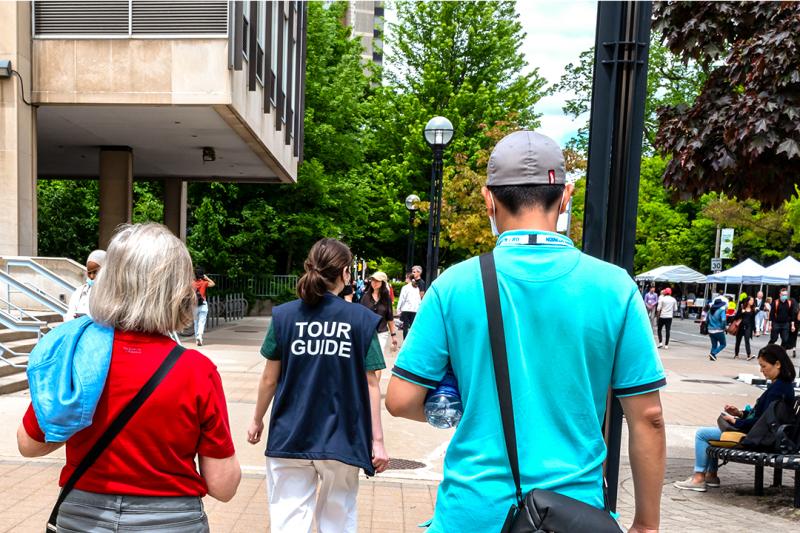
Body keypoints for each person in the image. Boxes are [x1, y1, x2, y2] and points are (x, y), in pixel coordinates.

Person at [385, 131, 666, 533]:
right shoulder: (615, 287)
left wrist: (468, 403)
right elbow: (649, 417)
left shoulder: (453, 286)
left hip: (472, 512)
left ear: (489, 199)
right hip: (573, 513)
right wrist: (647, 524)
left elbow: (400, 400)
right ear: (566, 197)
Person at [17, 223, 241, 531]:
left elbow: (29, 445)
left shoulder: (79, 356)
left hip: (83, 517)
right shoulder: (196, 370)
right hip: (171, 520)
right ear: (176, 291)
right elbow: (223, 486)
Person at [246, 238, 389, 533]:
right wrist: (377, 441)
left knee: (287, 522)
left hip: (290, 434)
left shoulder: (285, 316)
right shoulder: (361, 320)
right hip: (342, 437)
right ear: (346, 273)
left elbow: (269, 378)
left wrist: (257, 419)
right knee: (337, 523)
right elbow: (371, 385)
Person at [674, 344, 796, 492]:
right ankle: (711, 476)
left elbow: (762, 421)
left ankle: (699, 478)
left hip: (760, 437)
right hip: (766, 434)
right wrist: (739, 413)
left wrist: (737, 422)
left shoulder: (777, 390)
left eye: (764, 366)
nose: (761, 370)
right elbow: (763, 415)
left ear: (777, 364)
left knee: (702, 435)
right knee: (714, 433)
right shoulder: (783, 386)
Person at [359, 271, 398, 359]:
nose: (374, 283)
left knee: (378, 359)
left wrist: (393, 335)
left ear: (383, 283)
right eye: (373, 280)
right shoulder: (365, 297)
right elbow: (360, 316)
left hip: (381, 332)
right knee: (367, 360)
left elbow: (390, 317)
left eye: (377, 281)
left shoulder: (386, 298)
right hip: (366, 333)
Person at [64, 249, 106, 321]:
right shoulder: (79, 292)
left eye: (95, 272)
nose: (92, 276)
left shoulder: (112, 293)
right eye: (89, 273)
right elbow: (69, 314)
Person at [192, 269, 215, 346]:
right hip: (203, 304)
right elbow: (213, 284)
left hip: (194, 305)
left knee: (196, 322)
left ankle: (197, 338)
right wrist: (206, 277)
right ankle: (199, 336)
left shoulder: (192, 284)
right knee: (201, 322)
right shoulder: (204, 283)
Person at [397, 273, 421, 340]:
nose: (405, 279)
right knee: (413, 326)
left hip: (406, 309)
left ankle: (405, 341)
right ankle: (412, 340)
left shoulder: (405, 287)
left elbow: (402, 299)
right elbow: (419, 299)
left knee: (405, 326)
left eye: (406, 278)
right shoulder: (416, 287)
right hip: (415, 309)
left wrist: (398, 309)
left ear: (408, 278)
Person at [707, 296, 728, 361]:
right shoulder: (721, 311)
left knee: (714, 345)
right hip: (718, 329)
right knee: (723, 344)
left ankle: (712, 357)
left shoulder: (710, 311)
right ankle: (713, 353)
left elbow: (707, 320)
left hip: (710, 329)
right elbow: (723, 320)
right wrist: (724, 327)